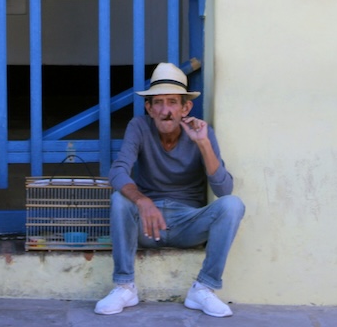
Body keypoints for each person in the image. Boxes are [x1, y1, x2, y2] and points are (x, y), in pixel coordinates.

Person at [94, 63, 245, 318]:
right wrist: (142, 201)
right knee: (120, 200)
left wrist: (204, 144)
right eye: (159, 103)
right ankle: (125, 286)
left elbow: (224, 189)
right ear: (149, 108)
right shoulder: (139, 126)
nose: (166, 111)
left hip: (189, 224)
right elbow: (118, 172)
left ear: (185, 107)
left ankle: (204, 288)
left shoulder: (202, 133)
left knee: (233, 205)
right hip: (147, 225)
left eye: (173, 102)